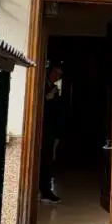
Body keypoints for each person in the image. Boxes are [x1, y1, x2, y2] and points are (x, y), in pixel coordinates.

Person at [40, 63, 64, 204]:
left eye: (59, 75)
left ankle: (46, 190)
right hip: (41, 128)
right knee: (43, 160)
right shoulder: (40, 84)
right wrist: (46, 98)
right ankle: (44, 190)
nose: (56, 76)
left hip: (51, 128)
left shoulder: (54, 88)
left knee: (48, 159)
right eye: (55, 72)